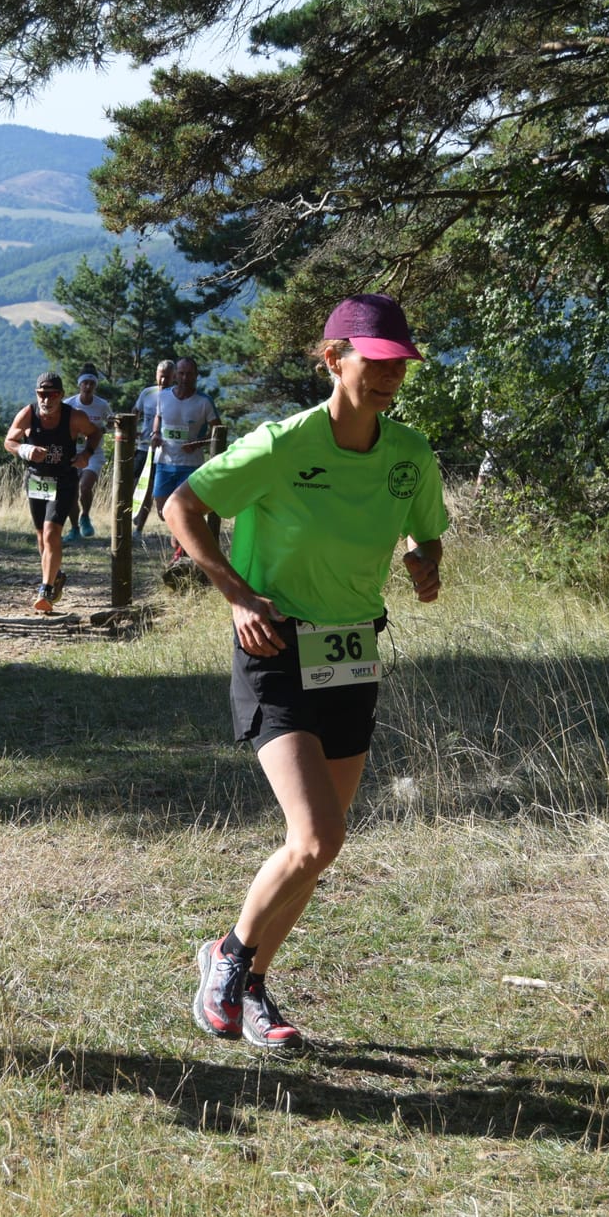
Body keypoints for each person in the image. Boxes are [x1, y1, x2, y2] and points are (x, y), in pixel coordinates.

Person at [166, 295, 447, 1051]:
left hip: (352, 653)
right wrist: (234, 594)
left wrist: (426, 563)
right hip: (275, 648)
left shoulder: (409, 455)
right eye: (376, 361)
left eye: (400, 363)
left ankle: (251, 983)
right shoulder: (282, 444)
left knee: (322, 847)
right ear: (333, 358)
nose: (391, 376)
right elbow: (183, 506)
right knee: (317, 836)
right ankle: (227, 954)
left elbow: (427, 531)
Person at [5, 370, 101, 612]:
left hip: (64, 480)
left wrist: (86, 455)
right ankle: (55, 575)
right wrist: (25, 451)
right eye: (42, 394)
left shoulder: (74, 417)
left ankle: (45, 590)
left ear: (61, 395)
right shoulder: (29, 413)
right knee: (41, 537)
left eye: (52, 394)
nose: (46, 400)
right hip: (37, 479)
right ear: (37, 394)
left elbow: (95, 432)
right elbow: (9, 441)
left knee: (51, 533)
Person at [151, 357, 221, 558]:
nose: (184, 378)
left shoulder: (204, 402)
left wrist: (198, 443)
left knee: (182, 511)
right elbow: (159, 417)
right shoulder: (163, 396)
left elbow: (218, 429)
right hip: (164, 461)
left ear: (196, 376)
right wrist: (156, 433)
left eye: (189, 374)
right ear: (175, 375)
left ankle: (181, 553)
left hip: (191, 465)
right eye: (181, 373)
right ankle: (180, 542)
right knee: (163, 511)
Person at [63, 371, 114, 541]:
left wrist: (101, 431)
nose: (88, 387)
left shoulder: (102, 405)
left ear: (95, 386)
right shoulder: (69, 404)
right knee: (71, 492)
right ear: (79, 384)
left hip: (93, 453)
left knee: (85, 486)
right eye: (85, 383)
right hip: (72, 453)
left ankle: (85, 516)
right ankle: (75, 528)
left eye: (91, 384)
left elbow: (112, 423)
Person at [131, 359, 172, 536]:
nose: (163, 381)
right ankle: (133, 513)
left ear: (174, 377)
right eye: (161, 377)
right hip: (142, 448)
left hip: (162, 451)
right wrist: (133, 431)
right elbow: (134, 412)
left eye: (168, 378)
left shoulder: (175, 396)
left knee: (149, 490)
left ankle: (139, 528)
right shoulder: (147, 393)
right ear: (156, 375)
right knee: (132, 485)